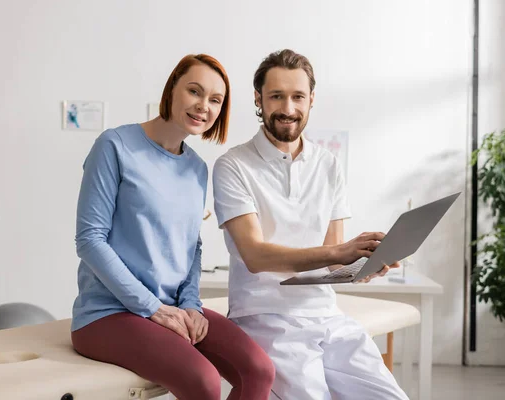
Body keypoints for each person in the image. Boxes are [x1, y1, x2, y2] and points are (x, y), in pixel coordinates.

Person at [71, 54, 275, 400]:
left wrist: (192, 305)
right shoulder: (115, 146)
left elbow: (191, 246)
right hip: (106, 313)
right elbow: (89, 239)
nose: (203, 107)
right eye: (194, 91)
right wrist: (153, 308)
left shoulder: (197, 168)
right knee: (204, 382)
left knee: (258, 370)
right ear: (172, 89)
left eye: (215, 100)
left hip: (172, 307)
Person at [213, 49, 409, 399]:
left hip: (326, 314)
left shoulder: (328, 164)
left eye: (298, 97)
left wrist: (364, 264)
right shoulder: (233, 166)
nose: (288, 108)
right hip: (265, 316)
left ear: (311, 99)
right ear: (258, 98)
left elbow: (334, 260)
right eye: (276, 96)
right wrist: (341, 250)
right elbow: (256, 257)